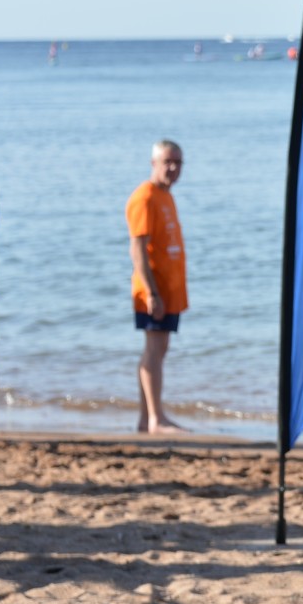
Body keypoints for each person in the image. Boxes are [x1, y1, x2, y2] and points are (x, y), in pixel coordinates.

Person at [127, 139, 189, 434]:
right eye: (167, 162)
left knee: (159, 348)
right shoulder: (145, 197)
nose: (173, 168)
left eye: (178, 162)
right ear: (154, 163)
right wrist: (152, 292)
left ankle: (146, 419)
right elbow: (137, 248)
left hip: (170, 288)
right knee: (154, 348)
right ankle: (155, 418)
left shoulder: (166, 196)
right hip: (153, 289)